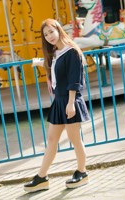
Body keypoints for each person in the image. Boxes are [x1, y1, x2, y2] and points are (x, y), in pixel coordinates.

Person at [24, 18, 90, 192]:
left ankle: (82, 172)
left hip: (70, 101)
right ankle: (41, 177)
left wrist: (70, 104)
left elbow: (74, 80)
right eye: (45, 34)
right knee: (52, 140)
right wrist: (39, 62)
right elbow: (53, 67)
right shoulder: (55, 53)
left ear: (58, 30)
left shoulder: (72, 51)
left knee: (75, 140)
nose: (49, 36)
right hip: (59, 101)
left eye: (51, 32)